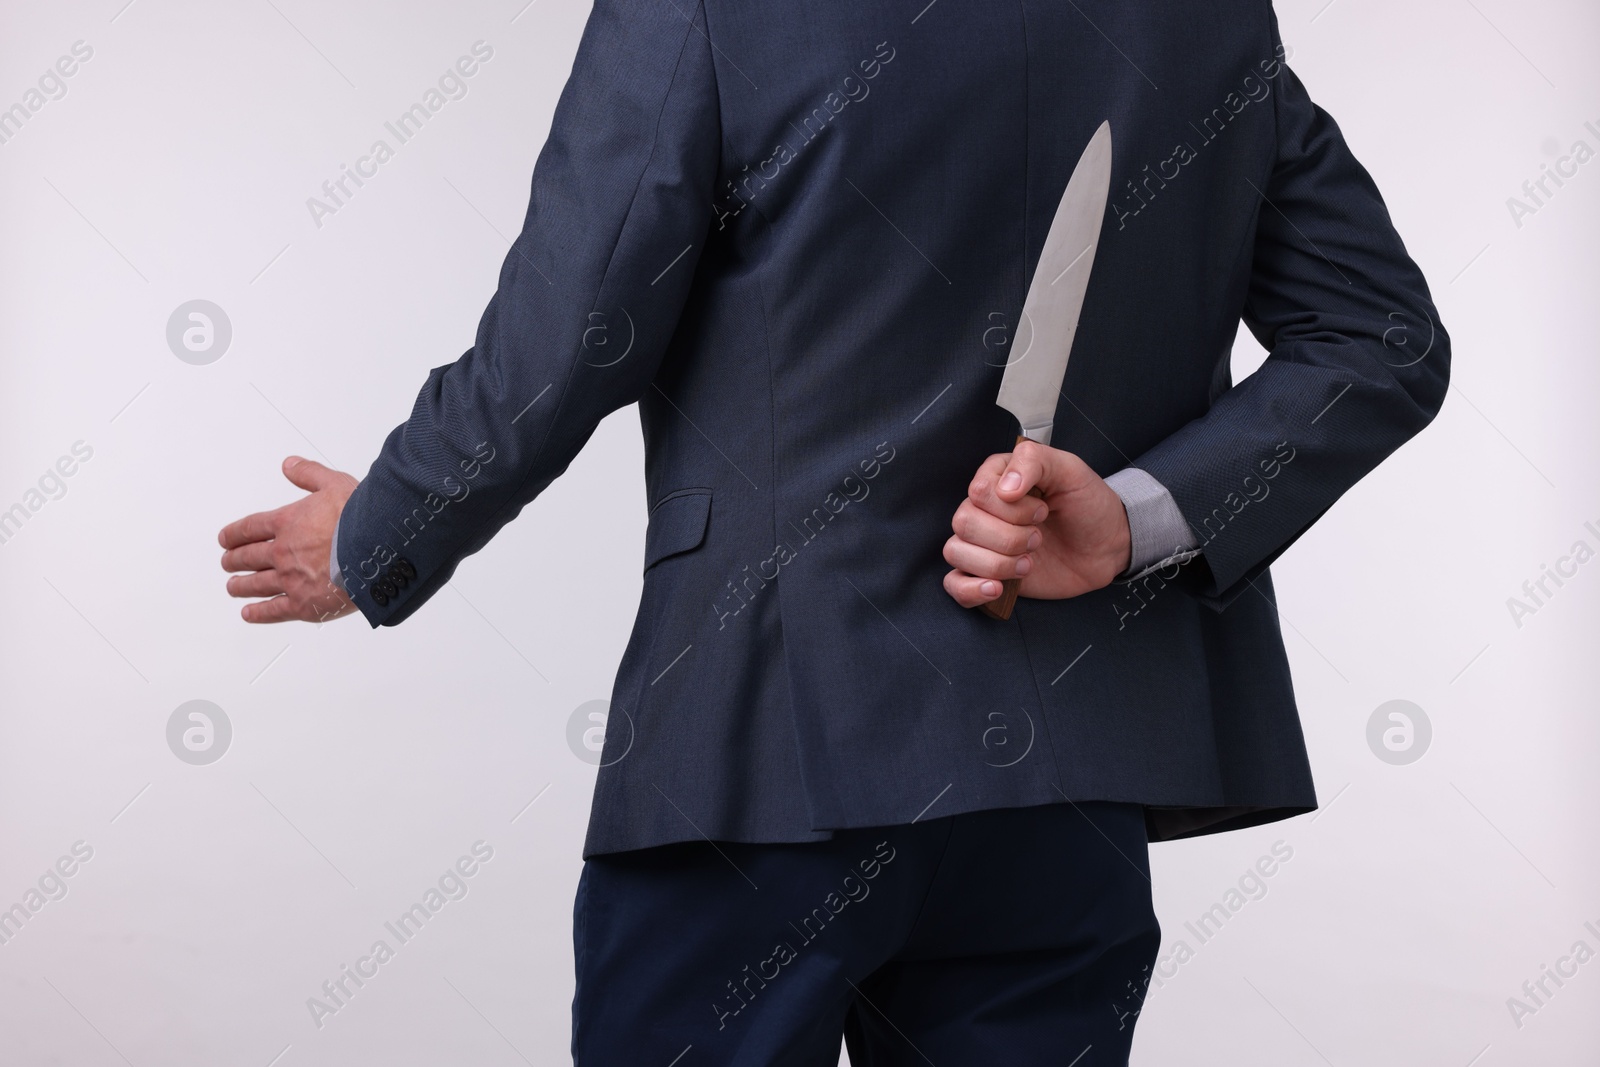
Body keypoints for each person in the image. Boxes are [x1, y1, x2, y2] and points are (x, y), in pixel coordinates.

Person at [219, 0, 1448, 1061]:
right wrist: (1131, 522)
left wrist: (375, 532)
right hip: (1065, 786)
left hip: (765, 755)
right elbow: (1380, 338)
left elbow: (567, 335)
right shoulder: (1195, 16)